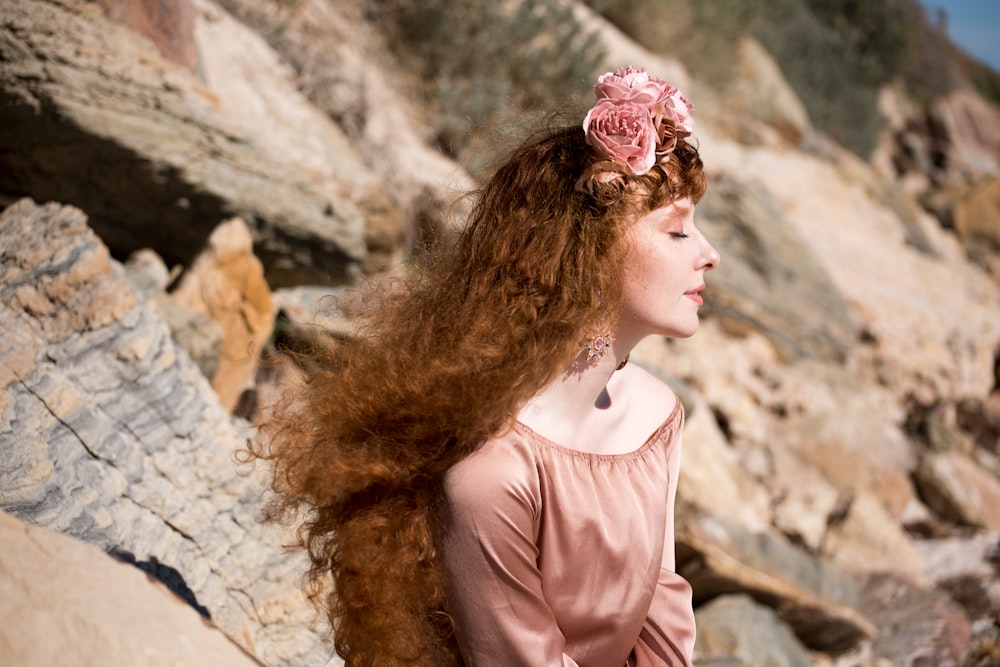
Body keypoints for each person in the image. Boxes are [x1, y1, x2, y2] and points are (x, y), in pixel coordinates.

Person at [253, 65, 720, 667]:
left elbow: (661, 622)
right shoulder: (491, 471)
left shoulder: (656, 417)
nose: (709, 254)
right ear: (591, 251)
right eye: (678, 230)